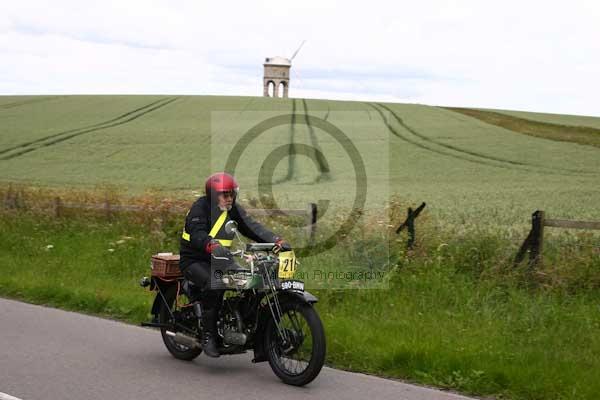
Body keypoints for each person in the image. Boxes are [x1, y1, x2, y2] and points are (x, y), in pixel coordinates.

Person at [179, 172, 291, 357]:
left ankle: (236, 323)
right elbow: (197, 232)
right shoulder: (200, 208)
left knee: (250, 282)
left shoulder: (232, 209)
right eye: (225, 194)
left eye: (231, 194)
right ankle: (208, 335)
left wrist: (276, 240)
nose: (229, 198)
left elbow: (252, 226)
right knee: (216, 283)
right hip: (195, 260)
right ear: (214, 195)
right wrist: (210, 244)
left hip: (223, 260)